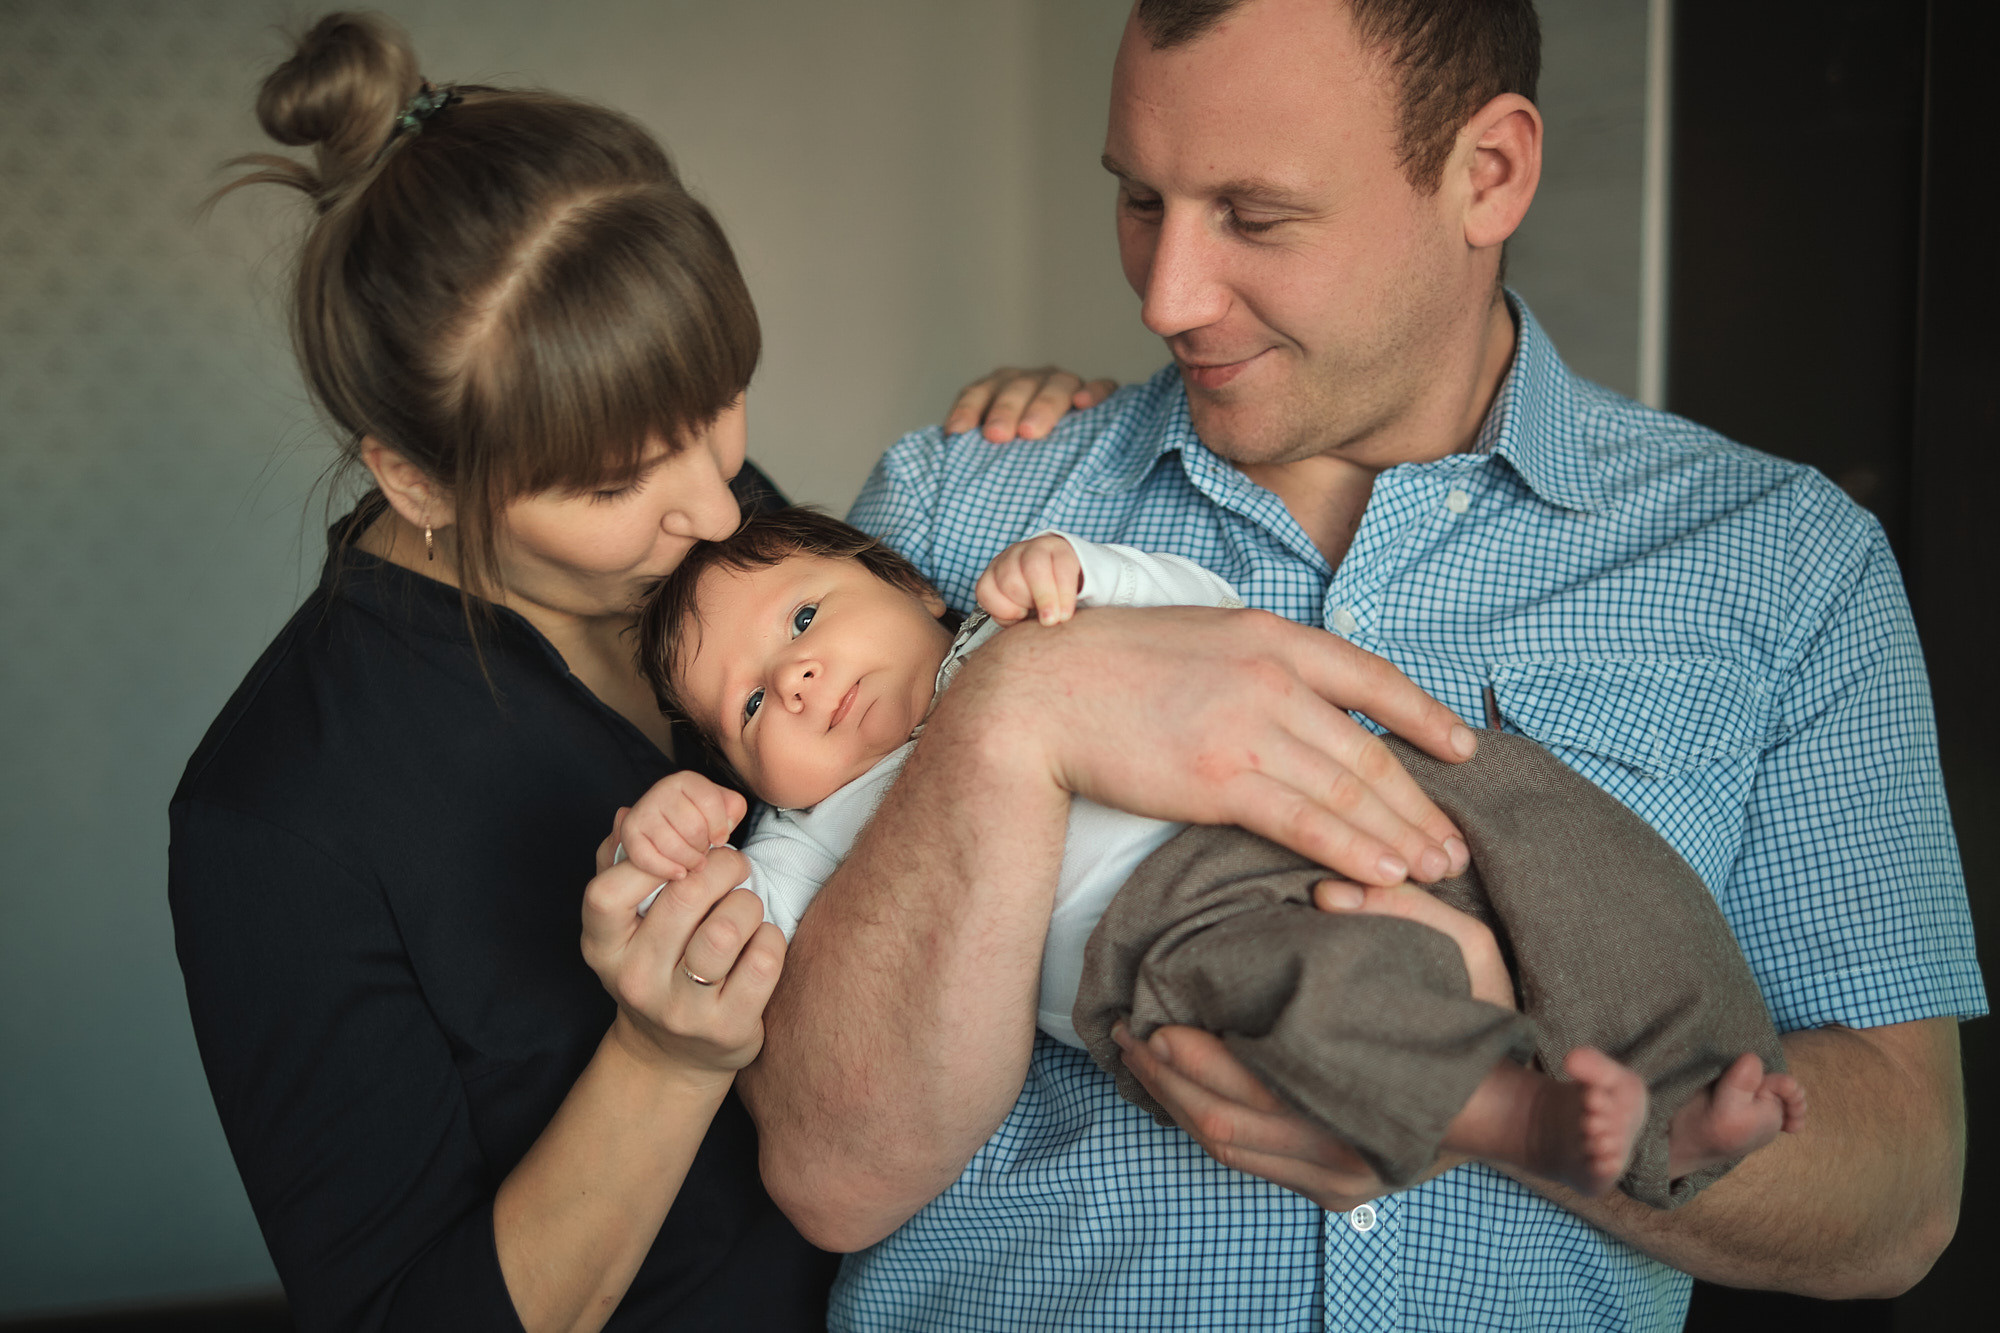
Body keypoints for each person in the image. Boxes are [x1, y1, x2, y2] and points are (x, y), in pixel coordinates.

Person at [739, 1, 1984, 1329]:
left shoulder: (1782, 562)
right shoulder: (942, 527)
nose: (1169, 296)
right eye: (1141, 201)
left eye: (1257, 216)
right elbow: (828, 1169)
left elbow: (1899, 1194)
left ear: (1487, 174)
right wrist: (1012, 708)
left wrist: (1490, 1096)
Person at [167, 13, 1130, 1332]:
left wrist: (1046, 448)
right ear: (417, 475)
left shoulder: (715, 534)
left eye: (716, 404)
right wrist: (662, 1059)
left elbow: (938, 709)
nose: (719, 512)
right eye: (621, 480)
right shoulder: (275, 817)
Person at [620, 509, 1801, 1207]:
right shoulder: (822, 826)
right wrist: (678, 844)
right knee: (1318, 990)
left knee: (1542, 819)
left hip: (1319, 793)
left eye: (803, 621)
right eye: (747, 709)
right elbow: (765, 946)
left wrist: (1077, 571)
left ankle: (1682, 1094)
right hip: (1161, 932)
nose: (798, 682)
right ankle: (1514, 1114)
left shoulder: (1018, 623)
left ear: (912, 585)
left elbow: (1204, 614)